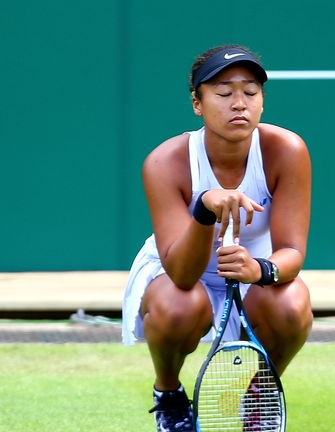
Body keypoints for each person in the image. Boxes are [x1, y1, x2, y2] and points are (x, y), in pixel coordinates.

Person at [122, 44, 313, 432]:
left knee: (292, 304)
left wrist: (260, 268)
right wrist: (204, 210)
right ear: (197, 103)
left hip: (250, 271)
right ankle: (169, 395)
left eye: (250, 92)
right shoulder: (164, 162)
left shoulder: (287, 150)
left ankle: (259, 396)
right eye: (224, 93)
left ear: (262, 102)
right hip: (176, 271)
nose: (239, 103)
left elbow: (292, 252)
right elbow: (181, 274)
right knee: (179, 305)